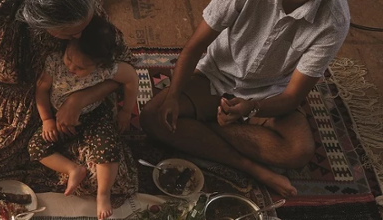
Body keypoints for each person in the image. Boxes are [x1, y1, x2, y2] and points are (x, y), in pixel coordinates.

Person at [0, 0, 138, 204]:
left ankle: (49, 164)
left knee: (112, 182)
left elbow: (124, 66)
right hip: (2, 113)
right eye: (71, 32)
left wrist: (78, 100)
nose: (80, 35)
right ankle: (46, 165)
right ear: (40, 21)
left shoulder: (82, 9)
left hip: (71, 119)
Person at [140, 0, 350, 197]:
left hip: (270, 93)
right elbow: (193, 48)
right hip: (215, 76)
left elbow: (292, 97)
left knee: (298, 152)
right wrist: (173, 96)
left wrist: (253, 107)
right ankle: (251, 167)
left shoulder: (334, 20)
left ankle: (199, 129)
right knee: (152, 117)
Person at [29, 15, 139, 220]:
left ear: (99, 65)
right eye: (69, 59)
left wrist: (126, 112)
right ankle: (73, 170)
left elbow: (131, 78)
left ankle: (103, 193)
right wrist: (47, 120)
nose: (71, 68)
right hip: (58, 117)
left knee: (108, 148)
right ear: (68, 42)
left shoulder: (107, 68)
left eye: (80, 69)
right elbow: (41, 91)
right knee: (35, 147)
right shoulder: (54, 62)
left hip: (94, 114)